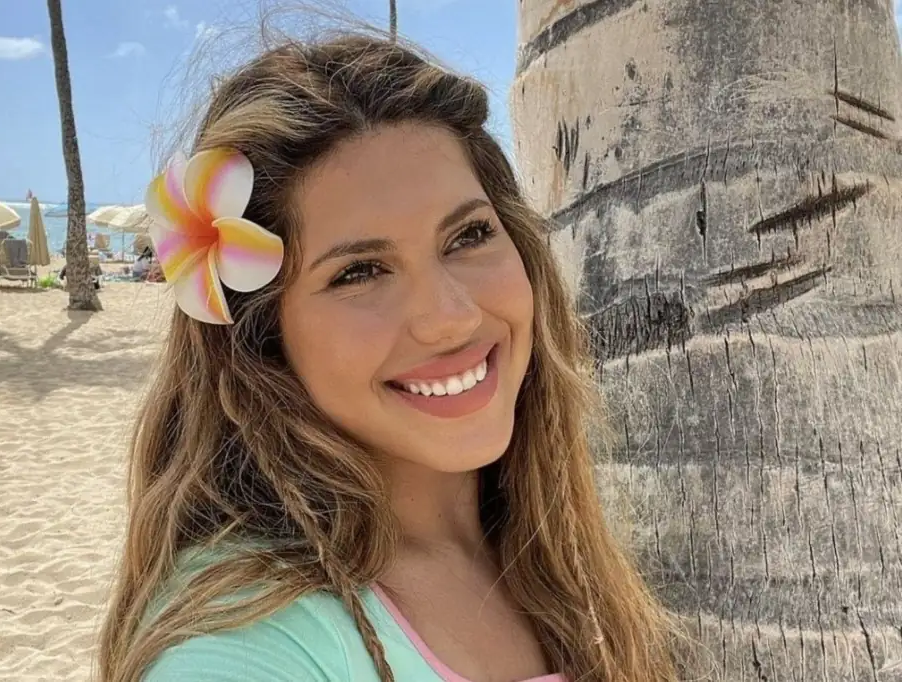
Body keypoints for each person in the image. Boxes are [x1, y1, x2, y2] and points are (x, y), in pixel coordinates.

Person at [97, 34, 680, 682]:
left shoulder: (548, 542)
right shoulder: (248, 641)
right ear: (262, 340)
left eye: (469, 235)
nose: (451, 316)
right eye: (359, 272)